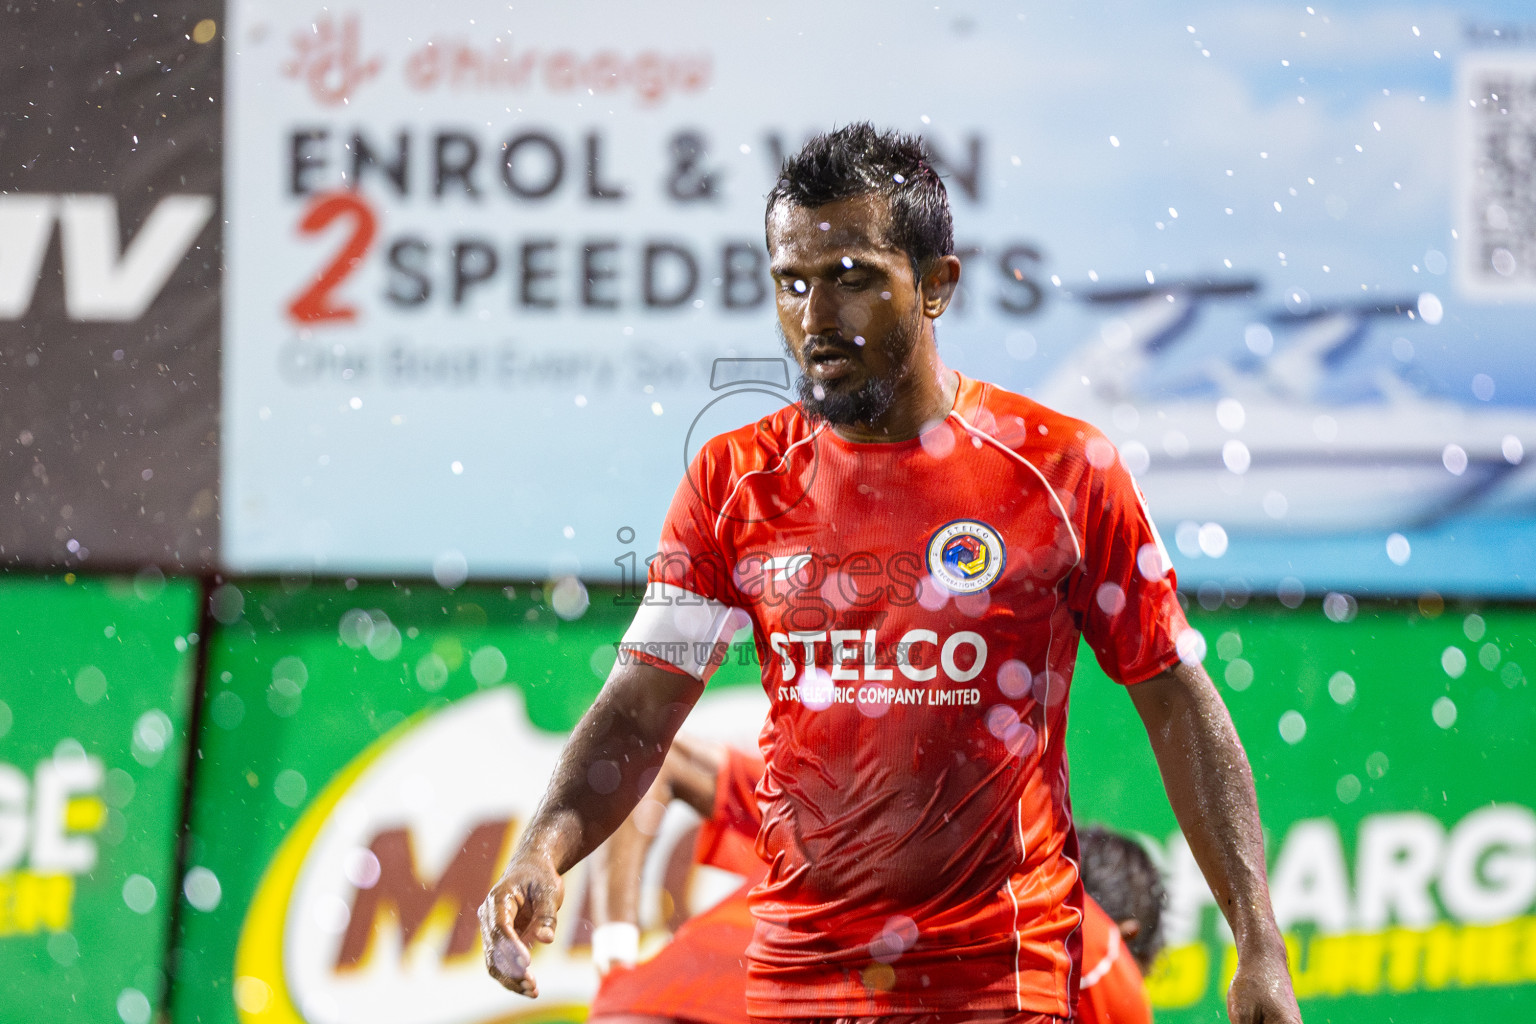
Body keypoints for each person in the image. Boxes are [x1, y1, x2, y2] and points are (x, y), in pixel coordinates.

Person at [481, 123, 1301, 1024]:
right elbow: (643, 708)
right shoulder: (730, 482)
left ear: (938, 285)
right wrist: (544, 846)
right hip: (795, 981)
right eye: (792, 282)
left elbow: (1175, 698)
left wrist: (1259, 942)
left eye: (853, 278)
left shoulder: (1065, 471)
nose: (817, 316)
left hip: (998, 982)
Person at [585, 738, 1164, 1024]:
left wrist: (614, 947)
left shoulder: (867, 826)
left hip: (631, 1007)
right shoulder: (1092, 942)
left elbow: (653, 756)